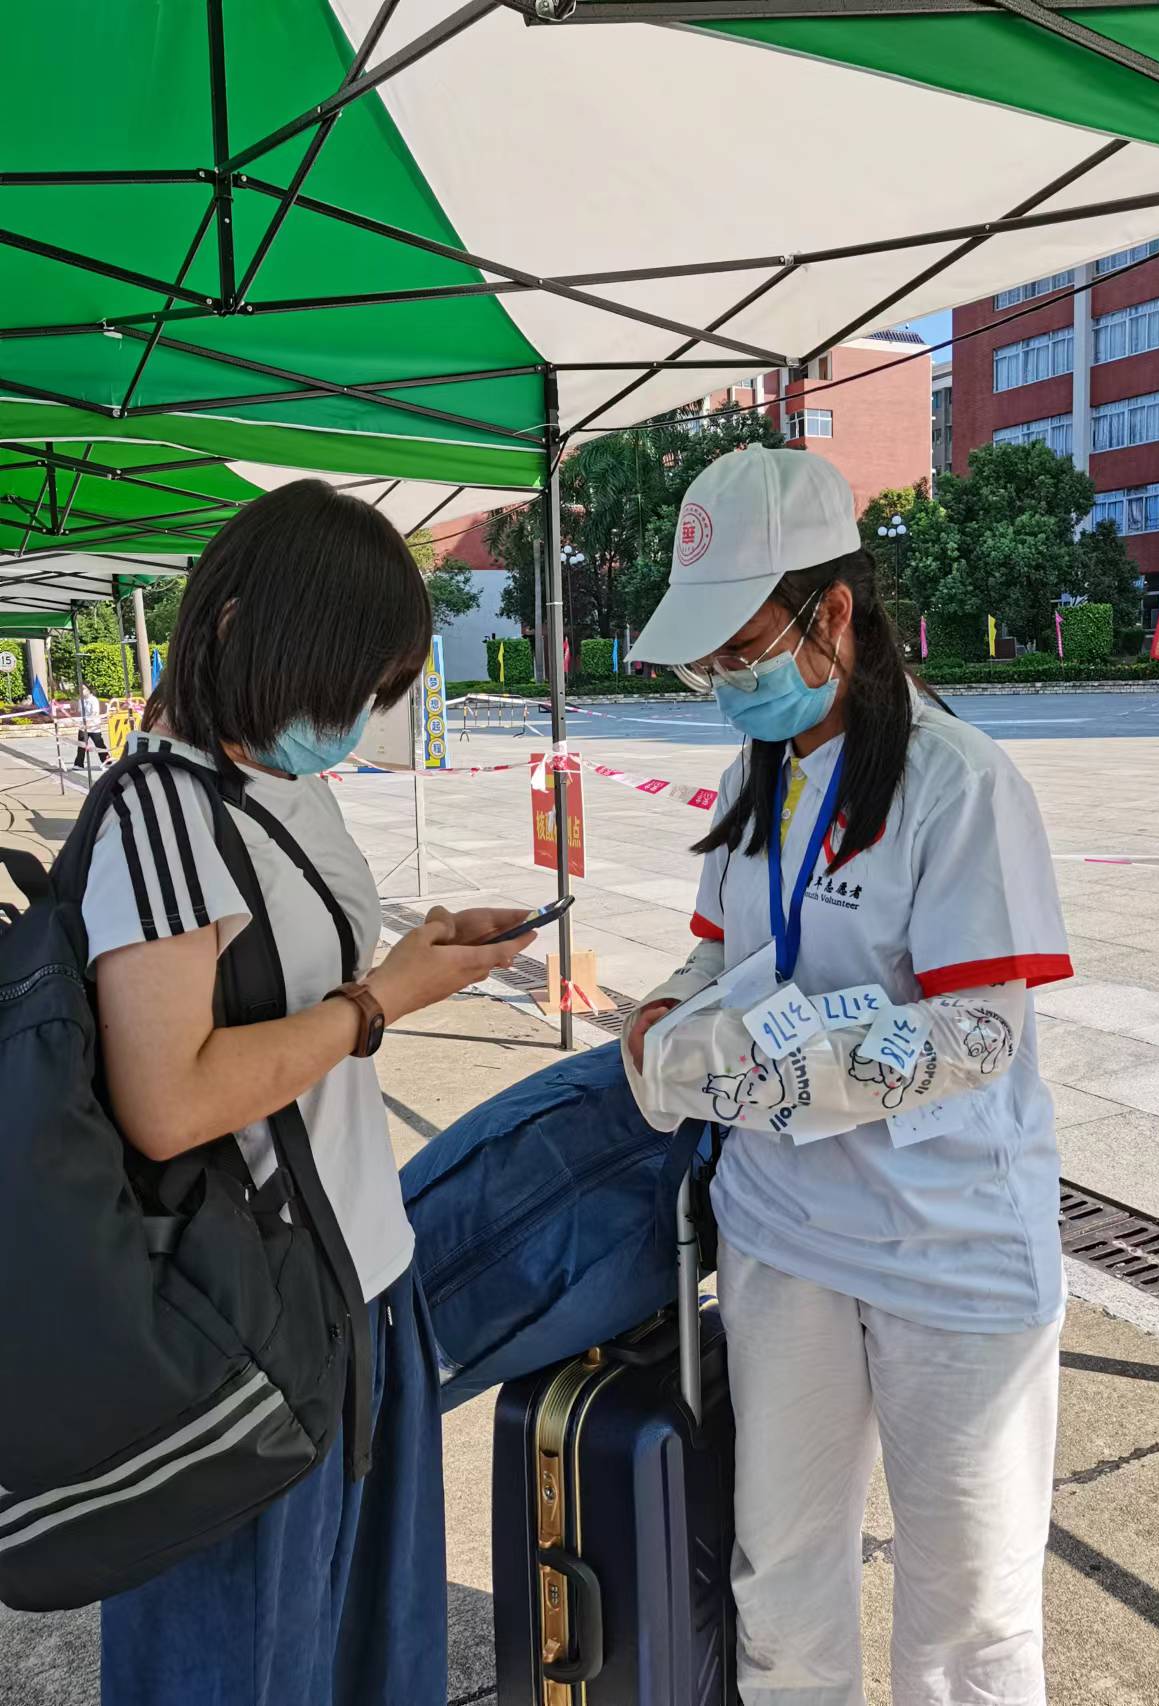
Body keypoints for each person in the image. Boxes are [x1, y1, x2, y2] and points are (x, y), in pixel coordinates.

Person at [623, 445, 1073, 1706]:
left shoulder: (957, 783)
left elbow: (977, 1031)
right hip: (783, 1235)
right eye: (709, 663)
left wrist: (787, 1072)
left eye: (740, 650)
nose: (726, 683)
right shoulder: (752, 777)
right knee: (779, 1583)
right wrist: (663, 1011)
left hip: (947, 1246)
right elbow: (717, 954)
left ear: (831, 611)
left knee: (968, 1617)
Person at [85, 479, 535, 1706]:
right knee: (241, 1665)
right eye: (342, 684)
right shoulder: (157, 815)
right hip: (239, 1329)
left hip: (363, 1291)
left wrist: (416, 955)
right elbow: (167, 1099)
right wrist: (375, 1004)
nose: (350, 719)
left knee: (367, 1655)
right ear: (239, 630)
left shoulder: (280, 783)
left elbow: (300, 982)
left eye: (371, 690)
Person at [73, 684, 109, 769]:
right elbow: (81, 712)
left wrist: (88, 723)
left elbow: (94, 713)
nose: (81, 691)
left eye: (83, 689)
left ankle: (107, 762)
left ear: (89, 689)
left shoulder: (93, 700)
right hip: (83, 727)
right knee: (81, 745)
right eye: (80, 689)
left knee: (99, 744)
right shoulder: (81, 700)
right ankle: (79, 764)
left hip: (94, 726)